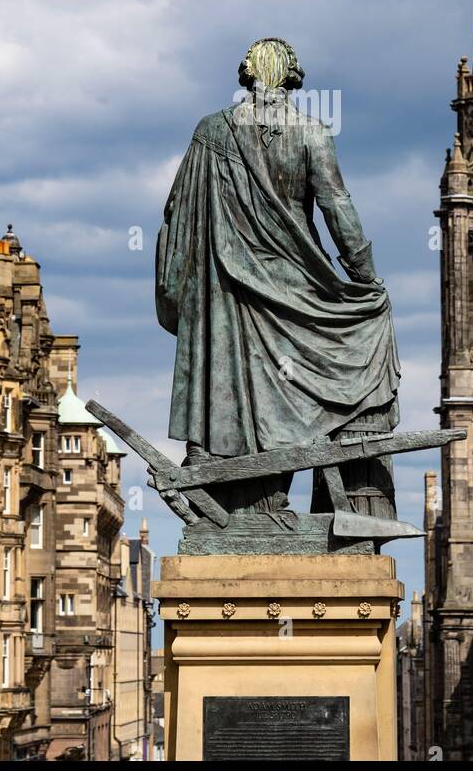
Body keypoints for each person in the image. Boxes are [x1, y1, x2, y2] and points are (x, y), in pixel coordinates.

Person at [156, 37, 400, 516]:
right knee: (369, 324)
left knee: (241, 379)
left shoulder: (211, 131)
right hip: (293, 284)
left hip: (228, 286)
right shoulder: (311, 132)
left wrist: (182, 282)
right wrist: (367, 280)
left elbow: (177, 216)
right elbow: (338, 209)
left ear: (246, 77)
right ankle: (341, 498)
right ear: (293, 79)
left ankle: (251, 492)